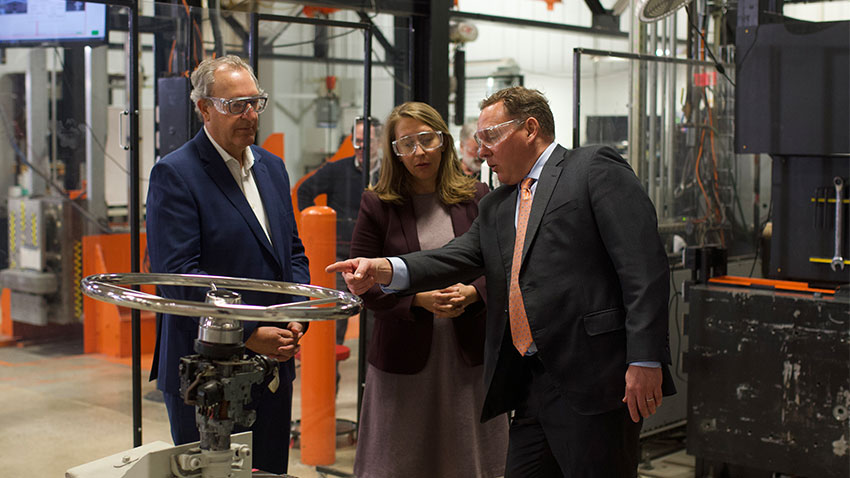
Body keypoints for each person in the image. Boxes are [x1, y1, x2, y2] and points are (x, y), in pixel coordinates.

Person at [328, 87, 676, 477]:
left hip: (594, 379)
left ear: (530, 129)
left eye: (490, 137)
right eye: (478, 141)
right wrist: (384, 269)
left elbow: (644, 269)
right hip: (529, 385)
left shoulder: (591, 169)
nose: (481, 151)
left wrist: (645, 358)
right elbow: (455, 256)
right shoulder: (498, 204)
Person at [146, 55, 310, 475]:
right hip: (208, 374)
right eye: (236, 105)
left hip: (273, 366)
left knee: (269, 470)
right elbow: (180, 277)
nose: (250, 114)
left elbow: (291, 252)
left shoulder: (272, 168)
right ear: (204, 108)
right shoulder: (176, 174)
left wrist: (296, 317)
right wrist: (251, 332)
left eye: (255, 102)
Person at [350, 102, 507, 478]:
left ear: (443, 141)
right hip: (403, 357)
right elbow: (363, 282)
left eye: (426, 139)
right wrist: (418, 301)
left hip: (467, 354)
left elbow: (502, 265)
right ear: (394, 151)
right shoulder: (378, 204)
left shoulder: (477, 196)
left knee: (467, 456)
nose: (419, 152)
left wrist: (472, 294)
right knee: (399, 459)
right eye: (407, 144)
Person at [297, 117, 380, 346]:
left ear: (379, 143)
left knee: (375, 329)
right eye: (357, 141)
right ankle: (331, 370)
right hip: (342, 258)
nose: (362, 147)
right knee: (334, 327)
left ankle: (369, 370)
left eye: (367, 141)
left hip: (376, 260)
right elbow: (304, 191)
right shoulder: (337, 170)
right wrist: (318, 228)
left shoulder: (388, 174)